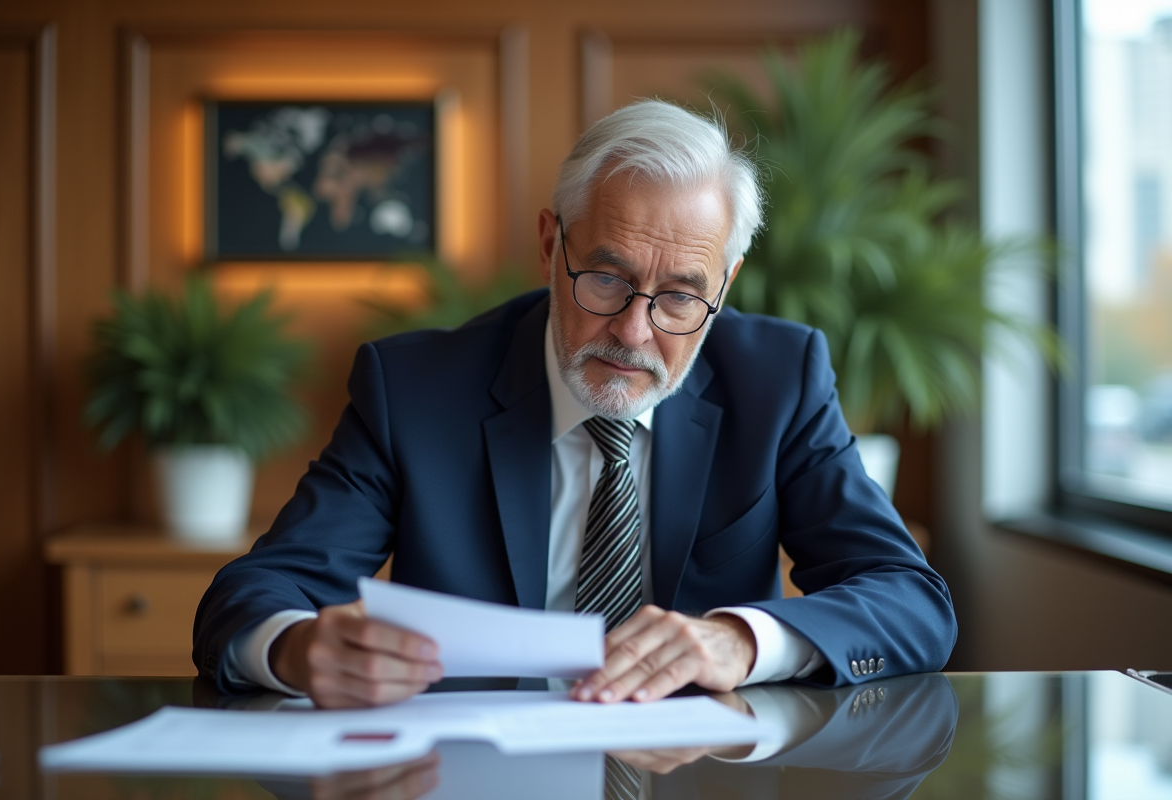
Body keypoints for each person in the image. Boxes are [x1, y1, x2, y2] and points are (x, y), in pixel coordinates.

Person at [192, 99, 957, 708]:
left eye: (681, 297)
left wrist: (742, 641)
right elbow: (253, 595)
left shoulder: (778, 379)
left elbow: (909, 598)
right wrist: (296, 649)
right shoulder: (416, 390)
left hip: (698, 777)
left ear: (725, 283)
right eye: (606, 279)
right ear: (550, 243)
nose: (633, 331)